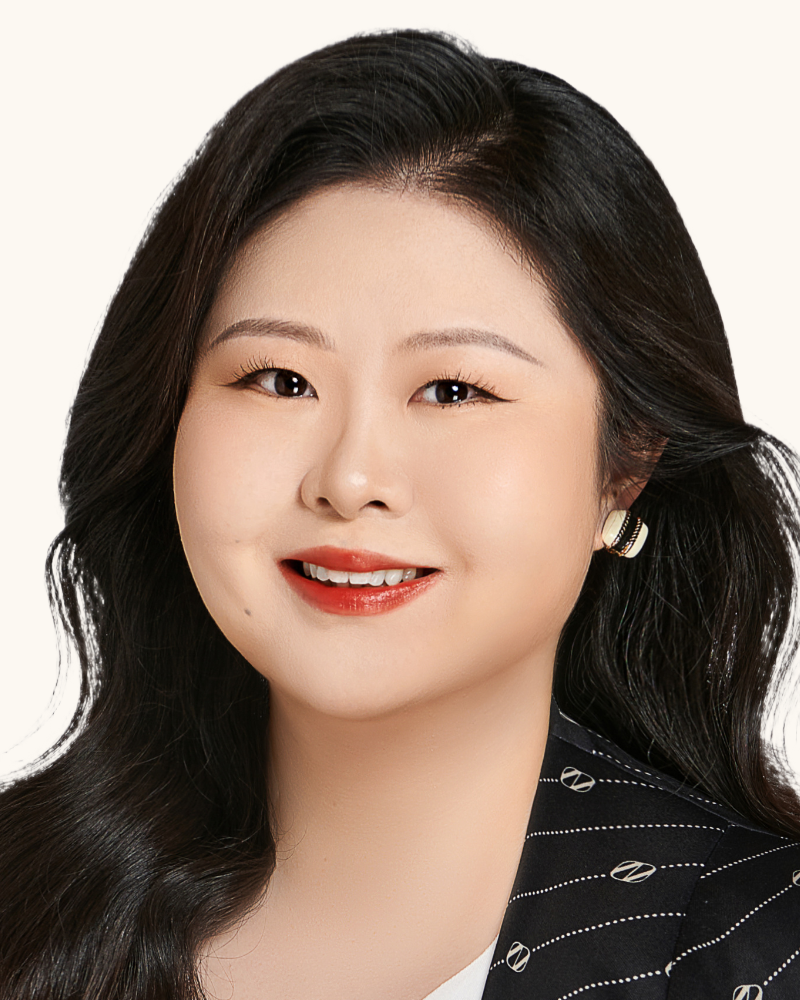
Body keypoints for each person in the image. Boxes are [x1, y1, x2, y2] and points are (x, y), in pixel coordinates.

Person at [1, 27, 799, 1000]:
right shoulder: (22, 907)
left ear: (624, 465)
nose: (349, 478)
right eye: (278, 379)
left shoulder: (761, 947)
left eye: (453, 390)